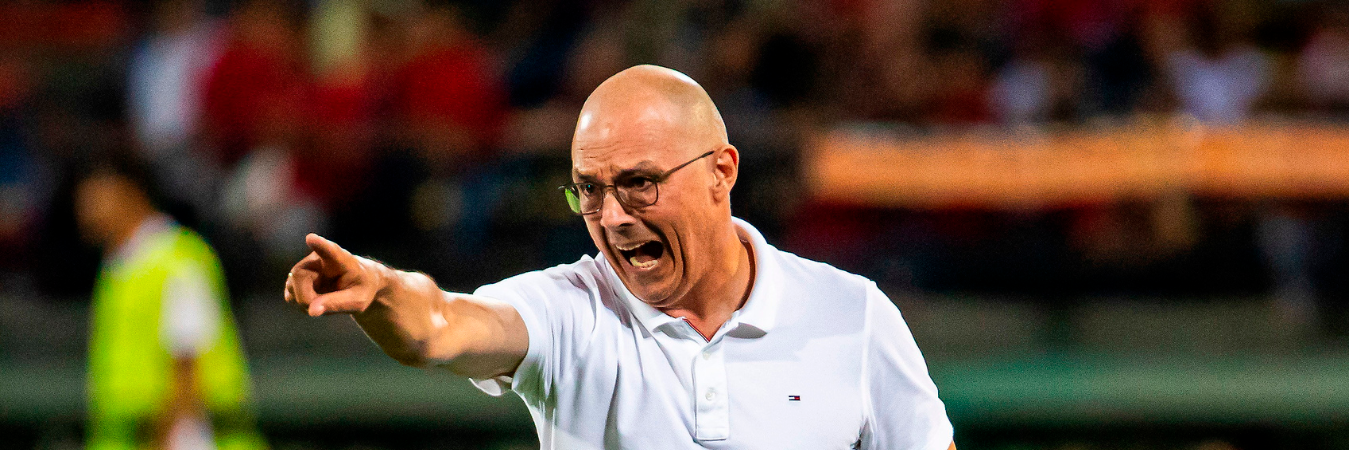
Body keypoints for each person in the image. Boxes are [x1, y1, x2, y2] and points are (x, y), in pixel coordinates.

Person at [284, 65, 955, 449]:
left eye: (638, 184)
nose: (609, 218)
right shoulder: (567, 312)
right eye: (588, 191)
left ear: (721, 172)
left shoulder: (852, 314)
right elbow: (440, 327)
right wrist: (378, 290)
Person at [76, 155, 267, 450]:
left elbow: (188, 355)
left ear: (130, 192)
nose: (85, 212)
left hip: (173, 434)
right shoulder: (119, 264)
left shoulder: (179, 258)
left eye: (95, 198)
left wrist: (168, 437)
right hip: (125, 434)